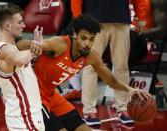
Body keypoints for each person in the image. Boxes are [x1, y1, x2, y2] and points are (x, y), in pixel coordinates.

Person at [18, 14, 150, 131]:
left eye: (92, 39)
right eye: (84, 38)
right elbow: (22, 44)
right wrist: (34, 44)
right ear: (75, 34)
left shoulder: (91, 57)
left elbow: (111, 81)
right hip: (32, 96)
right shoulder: (60, 44)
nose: (87, 43)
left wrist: (130, 90)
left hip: (51, 95)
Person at [70, 0, 147, 125]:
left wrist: (141, 16)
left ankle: (122, 108)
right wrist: (77, 17)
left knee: (121, 66)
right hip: (93, 19)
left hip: (121, 19)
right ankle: (89, 110)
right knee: (91, 66)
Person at [0, 4, 45, 130]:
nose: (24, 26)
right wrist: (37, 47)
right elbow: (18, 60)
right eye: (20, 22)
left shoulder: (12, 48)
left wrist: (36, 47)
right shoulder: (4, 50)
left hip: (28, 115)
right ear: (8, 26)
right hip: (24, 118)